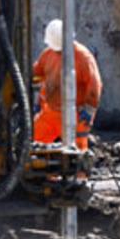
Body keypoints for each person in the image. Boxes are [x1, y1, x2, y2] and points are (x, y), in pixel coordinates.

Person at [32, 19, 102, 151]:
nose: (58, 52)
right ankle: (48, 171)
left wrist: (89, 110)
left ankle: (81, 172)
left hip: (75, 114)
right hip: (50, 112)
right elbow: (36, 73)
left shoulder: (83, 57)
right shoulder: (48, 54)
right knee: (34, 145)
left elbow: (94, 84)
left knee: (78, 153)